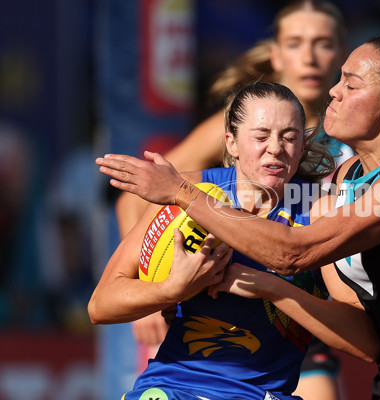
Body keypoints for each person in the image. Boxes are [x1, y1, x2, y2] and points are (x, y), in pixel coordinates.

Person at [97, 33, 380, 400]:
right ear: (233, 141)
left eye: (351, 84)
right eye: (340, 79)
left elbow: (298, 252)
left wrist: (180, 191)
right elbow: (220, 184)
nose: (333, 91)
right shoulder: (336, 184)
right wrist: (172, 194)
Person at [90, 81, 379, 400]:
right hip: (172, 387)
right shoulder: (185, 192)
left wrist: (273, 288)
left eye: (289, 137)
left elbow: (365, 343)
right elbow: (100, 305)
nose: (275, 148)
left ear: (301, 146)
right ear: (231, 143)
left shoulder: (320, 212)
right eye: (261, 135)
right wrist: (171, 289)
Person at [119, 2, 350, 398]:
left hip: (304, 305)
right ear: (276, 54)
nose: (310, 57)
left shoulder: (351, 124)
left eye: (323, 43)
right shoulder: (239, 120)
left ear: (340, 53)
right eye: (296, 43)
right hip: (224, 308)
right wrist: (154, 279)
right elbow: (142, 196)